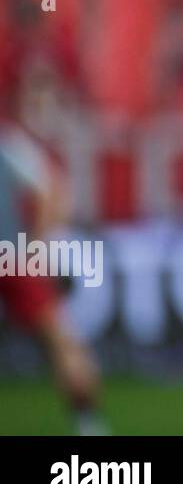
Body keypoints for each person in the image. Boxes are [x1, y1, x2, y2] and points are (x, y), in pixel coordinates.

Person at [0, 121, 107, 435]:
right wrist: (36, 245)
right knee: (60, 339)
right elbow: (52, 188)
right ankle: (90, 424)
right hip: (13, 254)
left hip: (14, 254)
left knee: (59, 340)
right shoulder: (8, 141)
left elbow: (51, 190)